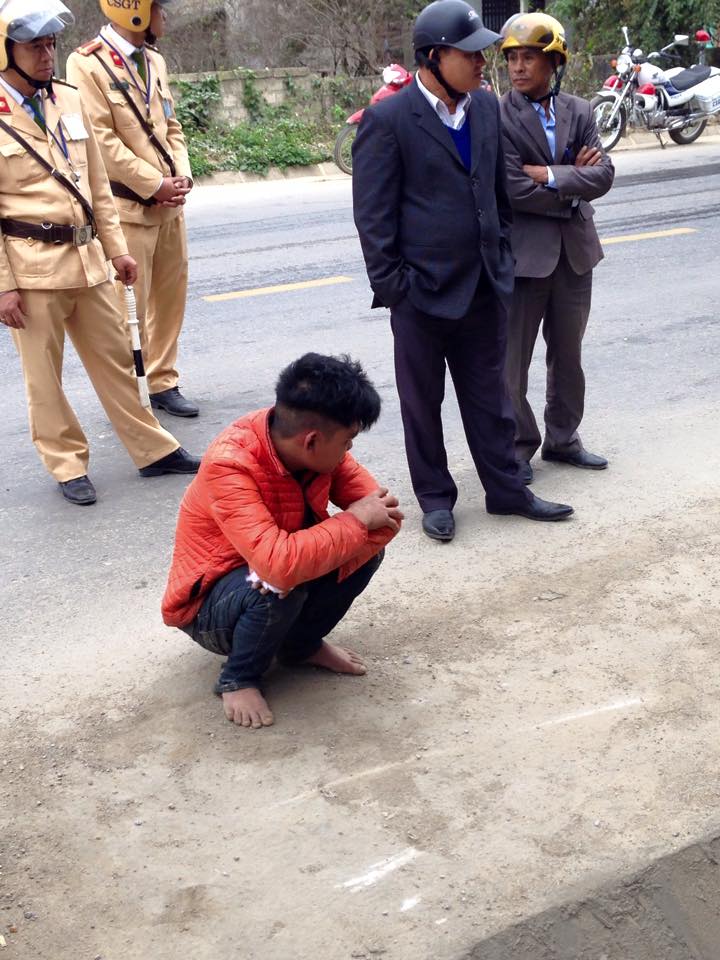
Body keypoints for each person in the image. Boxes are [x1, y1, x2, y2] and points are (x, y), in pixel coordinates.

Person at [352, 0, 573, 543]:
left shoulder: (485, 109)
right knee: (422, 404)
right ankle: (435, 499)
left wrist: (500, 258)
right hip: (420, 296)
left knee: (491, 400)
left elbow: (496, 196)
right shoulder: (389, 120)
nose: (482, 62)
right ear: (434, 57)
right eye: (470, 53)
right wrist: (396, 289)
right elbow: (373, 218)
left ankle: (506, 491)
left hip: (482, 288)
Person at [0, 0, 200, 506]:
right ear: (5, 52)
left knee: (116, 360)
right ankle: (67, 463)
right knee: (44, 379)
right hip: (31, 268)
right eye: (34, 46)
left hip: (87, 259)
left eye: (50, 44)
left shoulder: (66, 99)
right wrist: (3, 286)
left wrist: (116, 251)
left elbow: (97, 188)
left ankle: (152, 449)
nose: (47, 55)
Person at [161, 354, 403, 729]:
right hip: (210, 602)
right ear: (312, 441)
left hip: (275, 565)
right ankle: (238, 677)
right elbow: (279, 564)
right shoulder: (230, 463)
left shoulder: (318, 449)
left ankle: (300, 646)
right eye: (348, 441)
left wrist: (300, 560)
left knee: (363, 554)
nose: (349, 451)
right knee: (274, 585)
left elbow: (386, 518)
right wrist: (352, 522)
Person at [66, 0, 198, 418]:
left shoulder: (154, 60)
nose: (165, 15)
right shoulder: (87, 64)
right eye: (159, 7)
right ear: (135, 11)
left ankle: (162, 381)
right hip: (128, 209)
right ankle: (126, 398)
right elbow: (101, 142)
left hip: (170, 207)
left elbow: (172, 126)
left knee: (170, 301)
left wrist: (182, 175)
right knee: (128, 312)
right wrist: (154, 184)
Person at [499, 13, 615, 484]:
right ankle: (516, 448)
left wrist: (547, 174)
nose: (518, 67)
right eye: (512, 58)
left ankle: (563, 439)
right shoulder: (499, 116)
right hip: (525, 259)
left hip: (576, 254)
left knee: (568, 356)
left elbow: (603, 175)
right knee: (512, 365)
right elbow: (512, 188)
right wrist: (572, 181)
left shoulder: (580, 111)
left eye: (529, 57)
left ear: (554, 63)